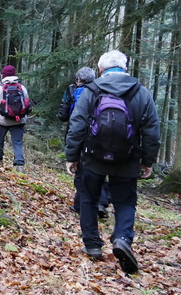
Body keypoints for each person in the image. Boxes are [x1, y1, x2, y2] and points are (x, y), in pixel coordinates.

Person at [65, 50, 160, 273]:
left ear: (100, 69)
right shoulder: (141, 92)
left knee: (88, 199)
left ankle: (92, 245)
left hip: (92, 157)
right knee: (125, 202)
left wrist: (72, 156)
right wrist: (148, 161)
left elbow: (77, 125)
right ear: (125, 68)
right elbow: (151, 131)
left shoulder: (91, 90)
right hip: (127, 159)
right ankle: (123, 238)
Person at [57, 67, 110, 218]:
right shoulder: (101, 90)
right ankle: (102, 201)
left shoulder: (71, 90)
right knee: (99, 168)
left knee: (80, 169)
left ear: (78, 78)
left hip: (78, 134)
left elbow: (63, 115)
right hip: (99, 135)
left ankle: (82, 203)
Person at [0, 65, 30, 171]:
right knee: (17, 142)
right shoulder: (22, 88)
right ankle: (19, 165)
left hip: (3, 121)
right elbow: (26, 104)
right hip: (19, 120)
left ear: (3, 75)